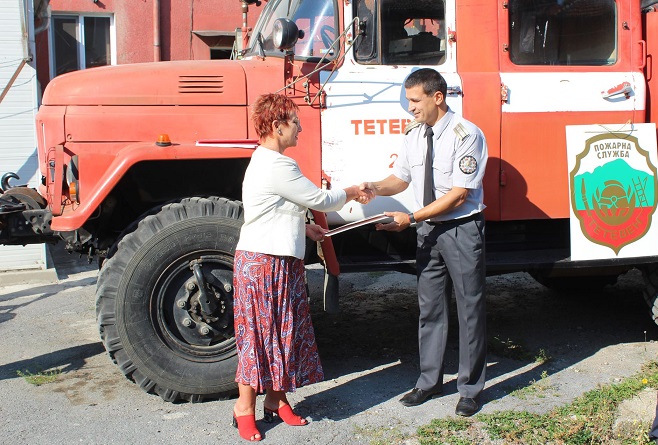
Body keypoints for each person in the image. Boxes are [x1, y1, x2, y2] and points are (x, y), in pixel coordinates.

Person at [232, 93, 369, 442]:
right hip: (264, 262)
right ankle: (244, 409)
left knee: (284, 332)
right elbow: (320, 200)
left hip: (278, 260)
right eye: (295, 122)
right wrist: (353, 190)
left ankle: (276, 400)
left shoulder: (267, 161)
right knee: (259, 338)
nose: (301, 127)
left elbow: (273, 207)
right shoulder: (278, 165)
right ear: (277, 127)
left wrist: (305, 228)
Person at [359, 68, 488, 417]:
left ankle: (470, 389)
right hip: (428, 232)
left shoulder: (467, 135)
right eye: (408, 100)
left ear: (437, 97)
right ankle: (429, 381)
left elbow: (460, 195)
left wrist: (412, 218)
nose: (410, 107)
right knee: (430, 309)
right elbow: (400, 179)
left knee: (469, 309)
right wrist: (373, 187)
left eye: (415, 100)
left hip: (460, 229)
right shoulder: (415, 134)